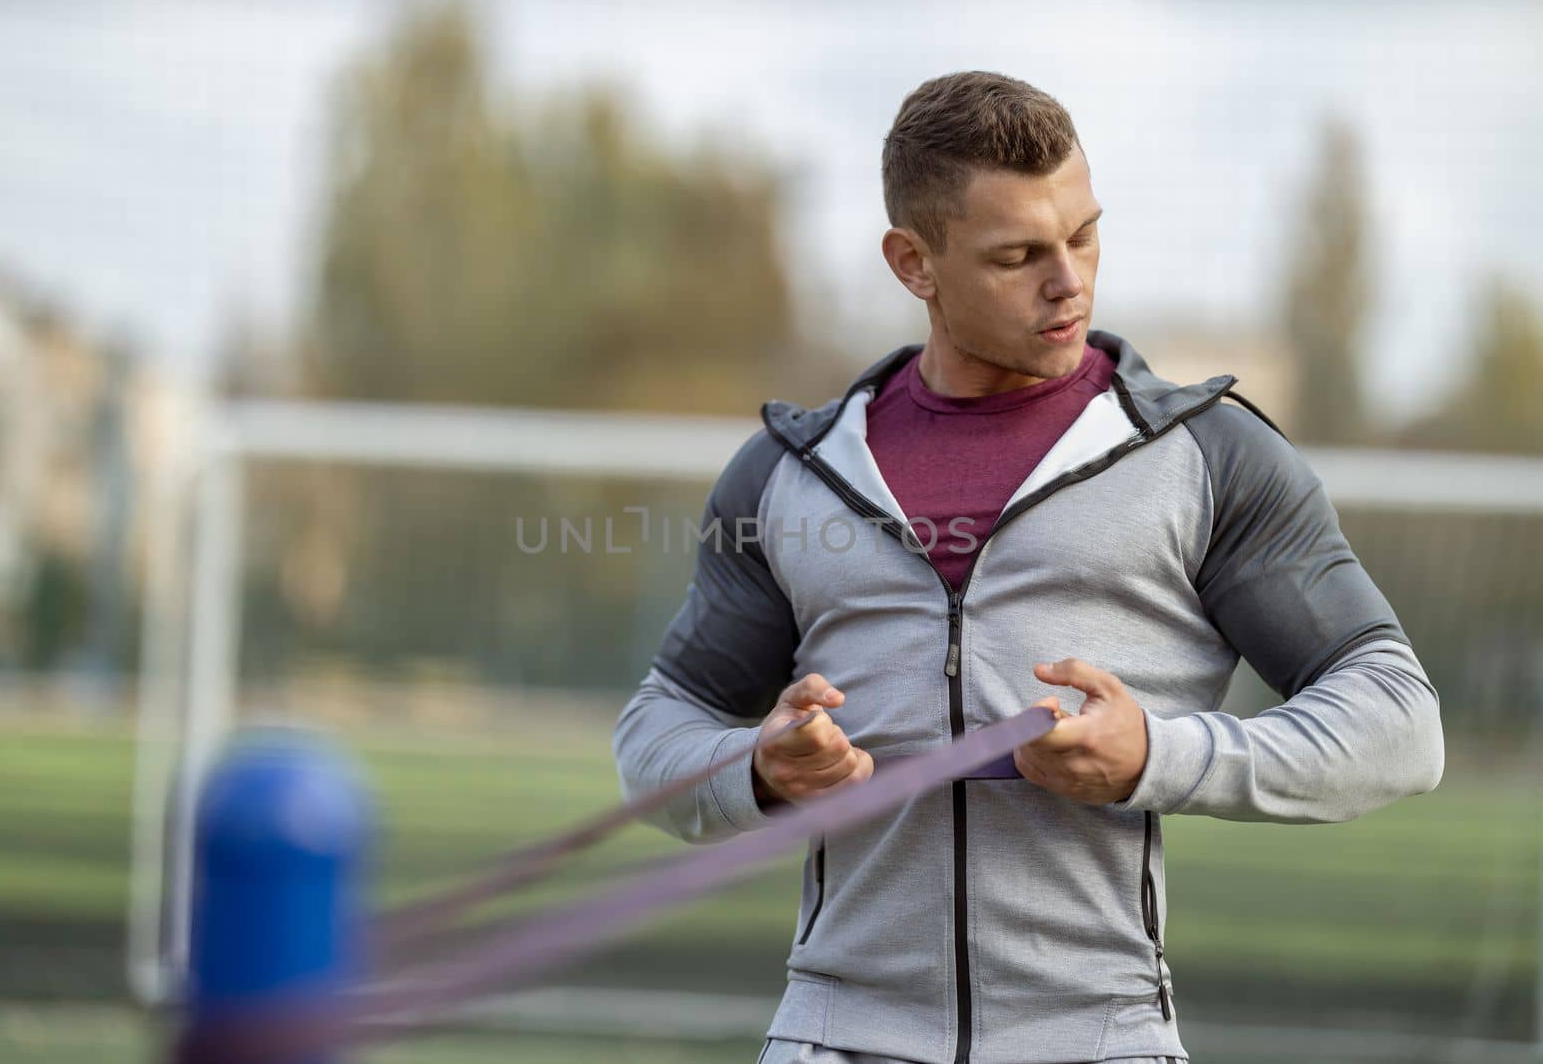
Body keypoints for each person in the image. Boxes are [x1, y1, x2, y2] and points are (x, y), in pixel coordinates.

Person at [611, 70, 1444, 1064]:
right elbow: (653, 736)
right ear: (912, 262)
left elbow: (1400, 720)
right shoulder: (788, 476)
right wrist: (759, 768)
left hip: (1101, 1037)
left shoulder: (1210, 456)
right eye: (1018, 256)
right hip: (832, 1031)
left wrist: (1157, 757)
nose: (1070, 284)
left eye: (1083, 235)